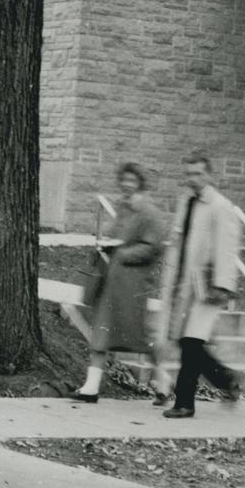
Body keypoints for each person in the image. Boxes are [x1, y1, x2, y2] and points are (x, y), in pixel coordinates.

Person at [156, 151, 242, 418]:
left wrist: (223, 285)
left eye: (199, 174)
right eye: (189, 174)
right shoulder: (187, 202)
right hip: (184, 283)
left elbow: (227, 248)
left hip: (206, 286)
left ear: (209, 175)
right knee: (187, 341)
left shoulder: (220, 206)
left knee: (191, 342)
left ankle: (185, 403)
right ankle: (226, 379)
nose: (193, 179)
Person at [72, 162, 168, 403]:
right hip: (111, 283)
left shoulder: (149, 212)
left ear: (140, 184)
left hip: (132, 286)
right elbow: (116, 235)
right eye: (124, 180)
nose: (126, 184)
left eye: (132, 181)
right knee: (101, 334)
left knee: (140, 337)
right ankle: (91, 387)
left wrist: (123, 253)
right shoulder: (123, 208)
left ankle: (165, 384)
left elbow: (154, 247)